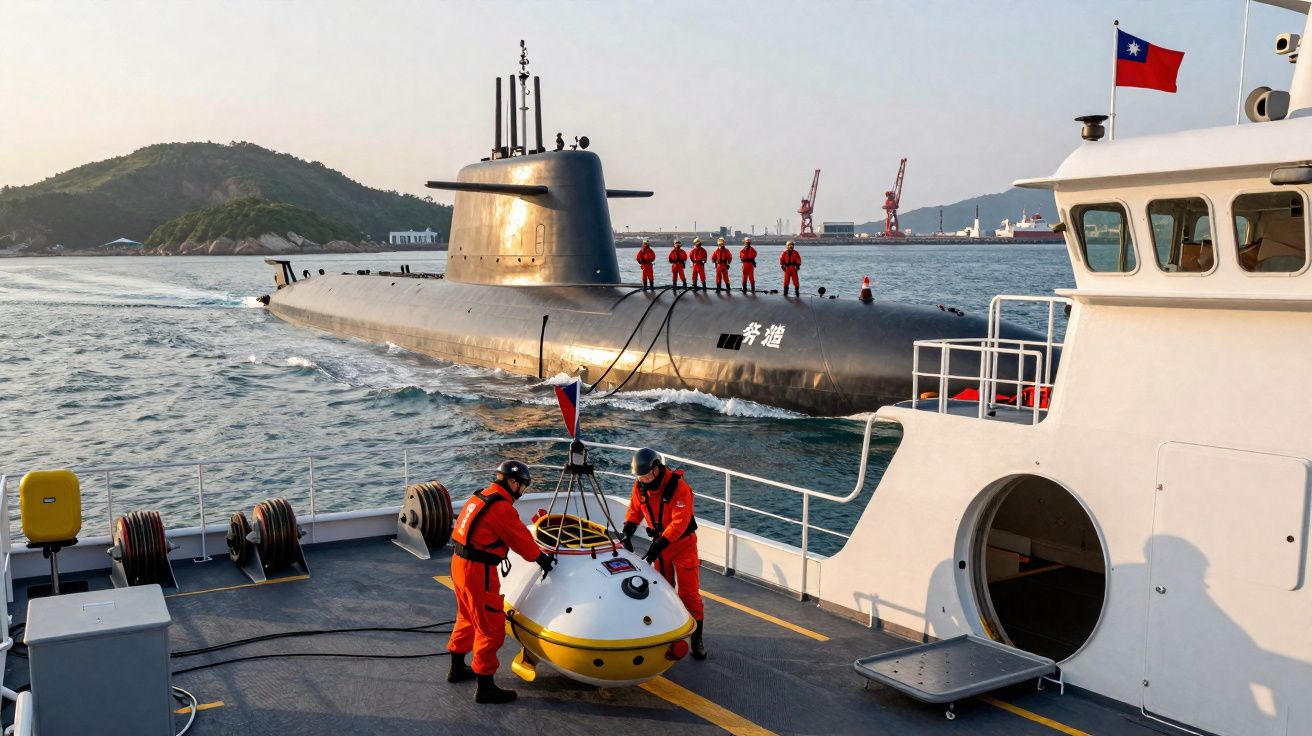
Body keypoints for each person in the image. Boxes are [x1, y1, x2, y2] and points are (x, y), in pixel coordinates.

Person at [447, 460, 555, 704]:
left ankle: (457, 668)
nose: (522, 491)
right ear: (512, 482)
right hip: (479, 571)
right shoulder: (501, 508)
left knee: (466, 617)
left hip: (459, 564)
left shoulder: (480, 496)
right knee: (491, 627)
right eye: (523, 486)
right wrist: (543, 560)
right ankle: (485, 688)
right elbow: (523, 542)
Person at [618, 448, 707, 660]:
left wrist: (660, 544)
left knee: (689, 594)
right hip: (660, 547)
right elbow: (635, 510)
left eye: (646, 476)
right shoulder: (640, 486)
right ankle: (667, 630)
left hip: (683, 546)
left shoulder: (679, 488)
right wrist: (627, 532)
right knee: (663, 590)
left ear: (656, 469)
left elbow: (679, 522)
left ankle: (696, 639)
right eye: (639, 477)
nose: (643, 480)